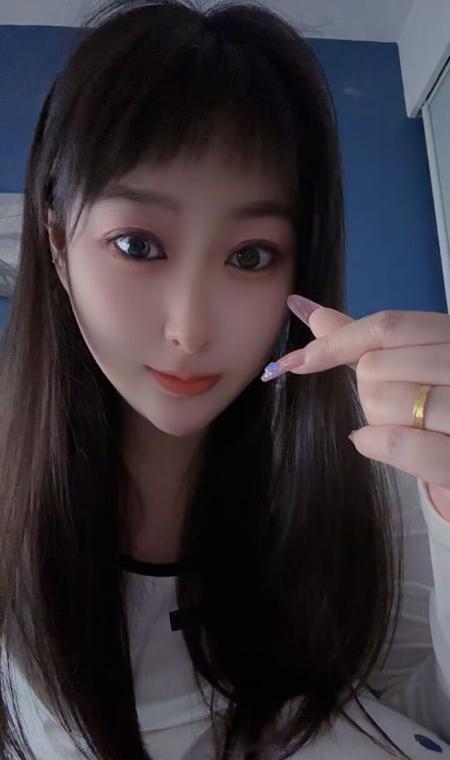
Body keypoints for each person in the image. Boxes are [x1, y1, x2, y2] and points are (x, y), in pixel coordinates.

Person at [0, 1, 449, 758]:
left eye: (250, 256)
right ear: (55, 241)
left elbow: (421, 716)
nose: (190, 328)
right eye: (137, 245)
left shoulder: (373, 467)